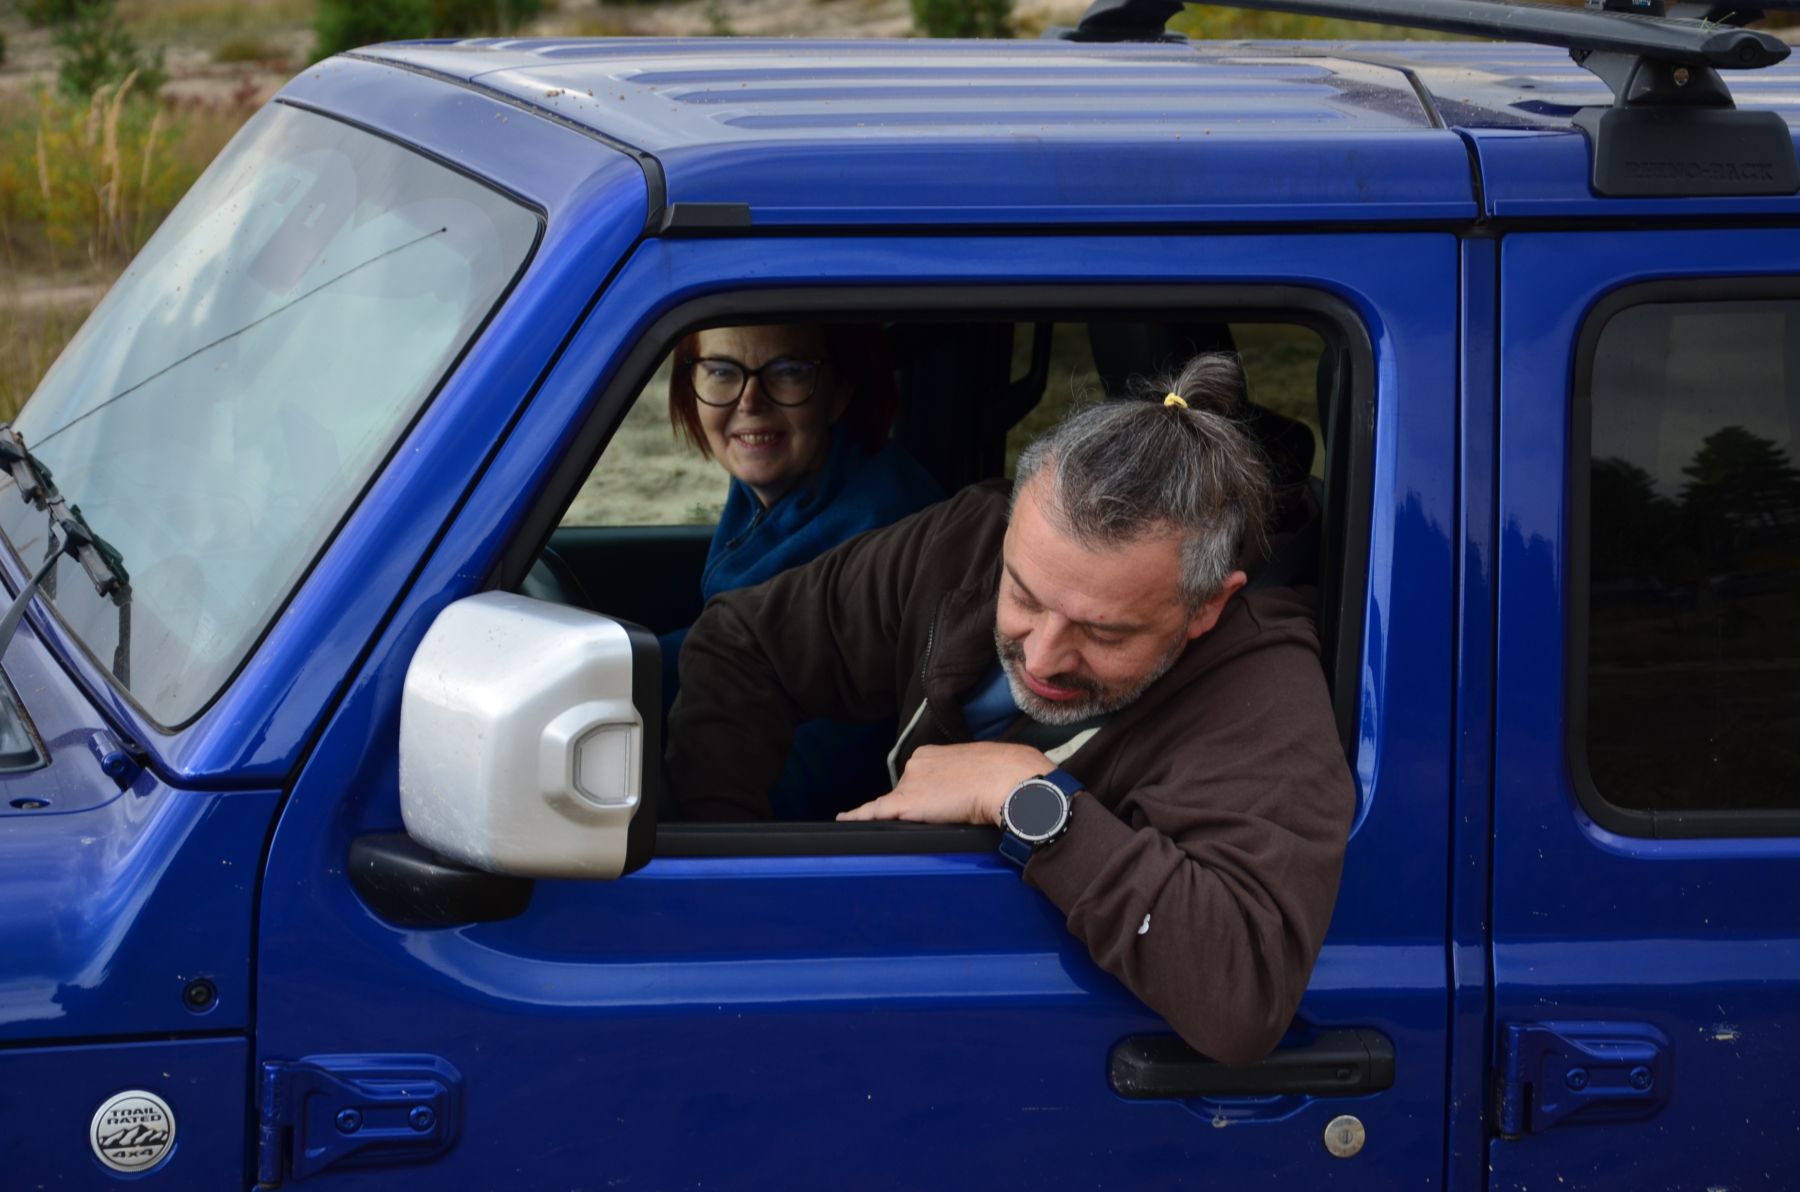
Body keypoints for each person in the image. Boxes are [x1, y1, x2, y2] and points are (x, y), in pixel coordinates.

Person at [666, 352, 1354, 1065]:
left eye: (1103, 632)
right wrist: (721, 889)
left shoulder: (1261, 689)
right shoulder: (967, 541)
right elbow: (741, 642)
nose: (1043, 656)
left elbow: (1243, 990)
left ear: (1207, 606)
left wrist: (1027, 796)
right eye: (1023, 596)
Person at [662, 322, 942, 818]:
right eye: (722, 371)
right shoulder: (774, 481)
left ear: (839, 392)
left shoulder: (882, 533)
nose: (750, 401)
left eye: (788, 371)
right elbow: (724, 638)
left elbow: (831, 763)